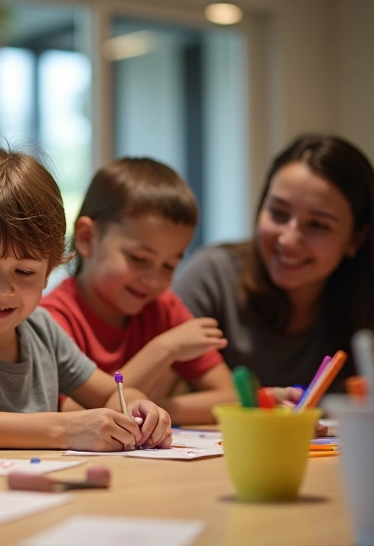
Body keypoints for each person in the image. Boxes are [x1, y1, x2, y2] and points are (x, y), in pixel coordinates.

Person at [0, 145, 173, 451]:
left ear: (48, 273)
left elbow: (110, 394)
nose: (2, 289)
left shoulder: (43, 330)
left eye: (24, 272)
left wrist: (139, 407)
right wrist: (63, 429)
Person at [173, 134, 374, 394]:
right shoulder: (212, 275)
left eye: (317, 225)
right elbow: (144, 395)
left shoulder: (371, 287)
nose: (289, 239)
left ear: (356, 238)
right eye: (278, 213)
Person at [41, 158, 237, 425]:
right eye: (139, 258)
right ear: (87, 238)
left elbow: (228, 399)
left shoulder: (163, 306)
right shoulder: (53, 319)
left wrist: (148, 409)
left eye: (169, 265)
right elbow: (73, 413)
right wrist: (163, 349)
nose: (154, 280)